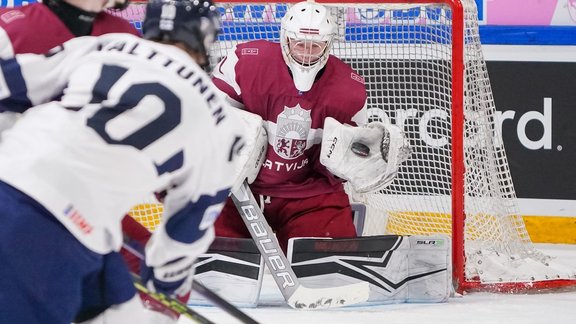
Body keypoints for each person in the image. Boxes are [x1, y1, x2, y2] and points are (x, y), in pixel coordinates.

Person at [0, 0, 245, 323]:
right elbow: (185, 233)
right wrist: (166, 292)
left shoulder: (104, 45)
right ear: (205, 38)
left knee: (122, 312)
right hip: (51, 226)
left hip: (26, 190)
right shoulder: (222, 125)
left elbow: (8, 83)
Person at [212, 1, 371, 253]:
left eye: (315, 46)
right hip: (237, 191)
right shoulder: (245, 62)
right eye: (300, 44)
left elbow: (346, 160)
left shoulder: (349, 90)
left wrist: (355, 161)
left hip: (307, 196)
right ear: (285, 40)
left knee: (332, 269)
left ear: (327, 45)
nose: (307, 53)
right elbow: (209, 119)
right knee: (208, 262)